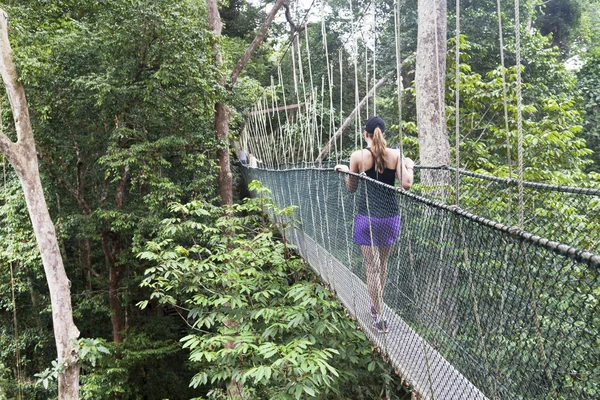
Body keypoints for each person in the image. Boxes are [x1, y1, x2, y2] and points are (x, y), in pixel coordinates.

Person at [335, 116, 414, 333]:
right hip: (390, 218)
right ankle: (376, 306)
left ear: (365, 135)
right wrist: (410, 166)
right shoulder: (397, 155)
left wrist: (345, 171)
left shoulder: (358, 156)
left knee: (372, 267)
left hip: (366, 218)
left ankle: (379, 316)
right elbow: (406, 184)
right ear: (384, 133)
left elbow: (351, 188)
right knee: (383, 265)